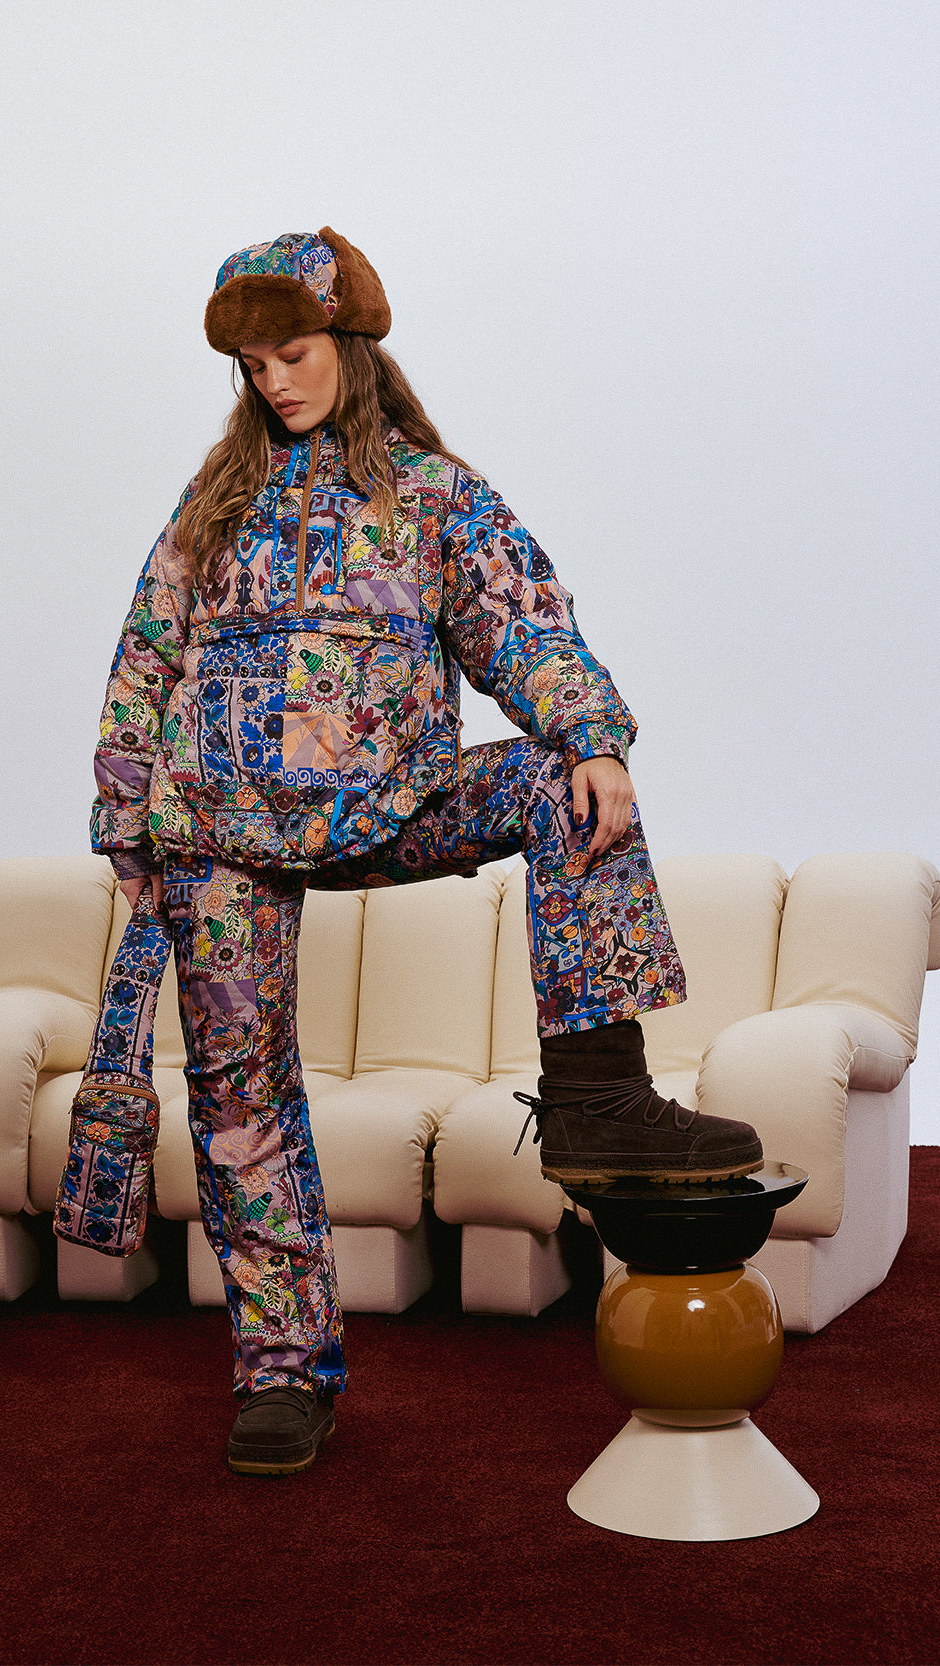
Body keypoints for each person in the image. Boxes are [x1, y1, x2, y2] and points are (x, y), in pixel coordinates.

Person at [90, 227, 762, 1476]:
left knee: (567, 787)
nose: (273, 381)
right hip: (219, 831)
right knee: (239, 1101)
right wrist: (124, 817)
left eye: (293, 353)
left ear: (349, 343)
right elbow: (146, 656)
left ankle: (598, 1096)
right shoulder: (212, 503)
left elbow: (524, 624)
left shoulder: (433, 495)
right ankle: (281, 1373)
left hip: (393, 798)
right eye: (251, 364)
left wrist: (592, 734)